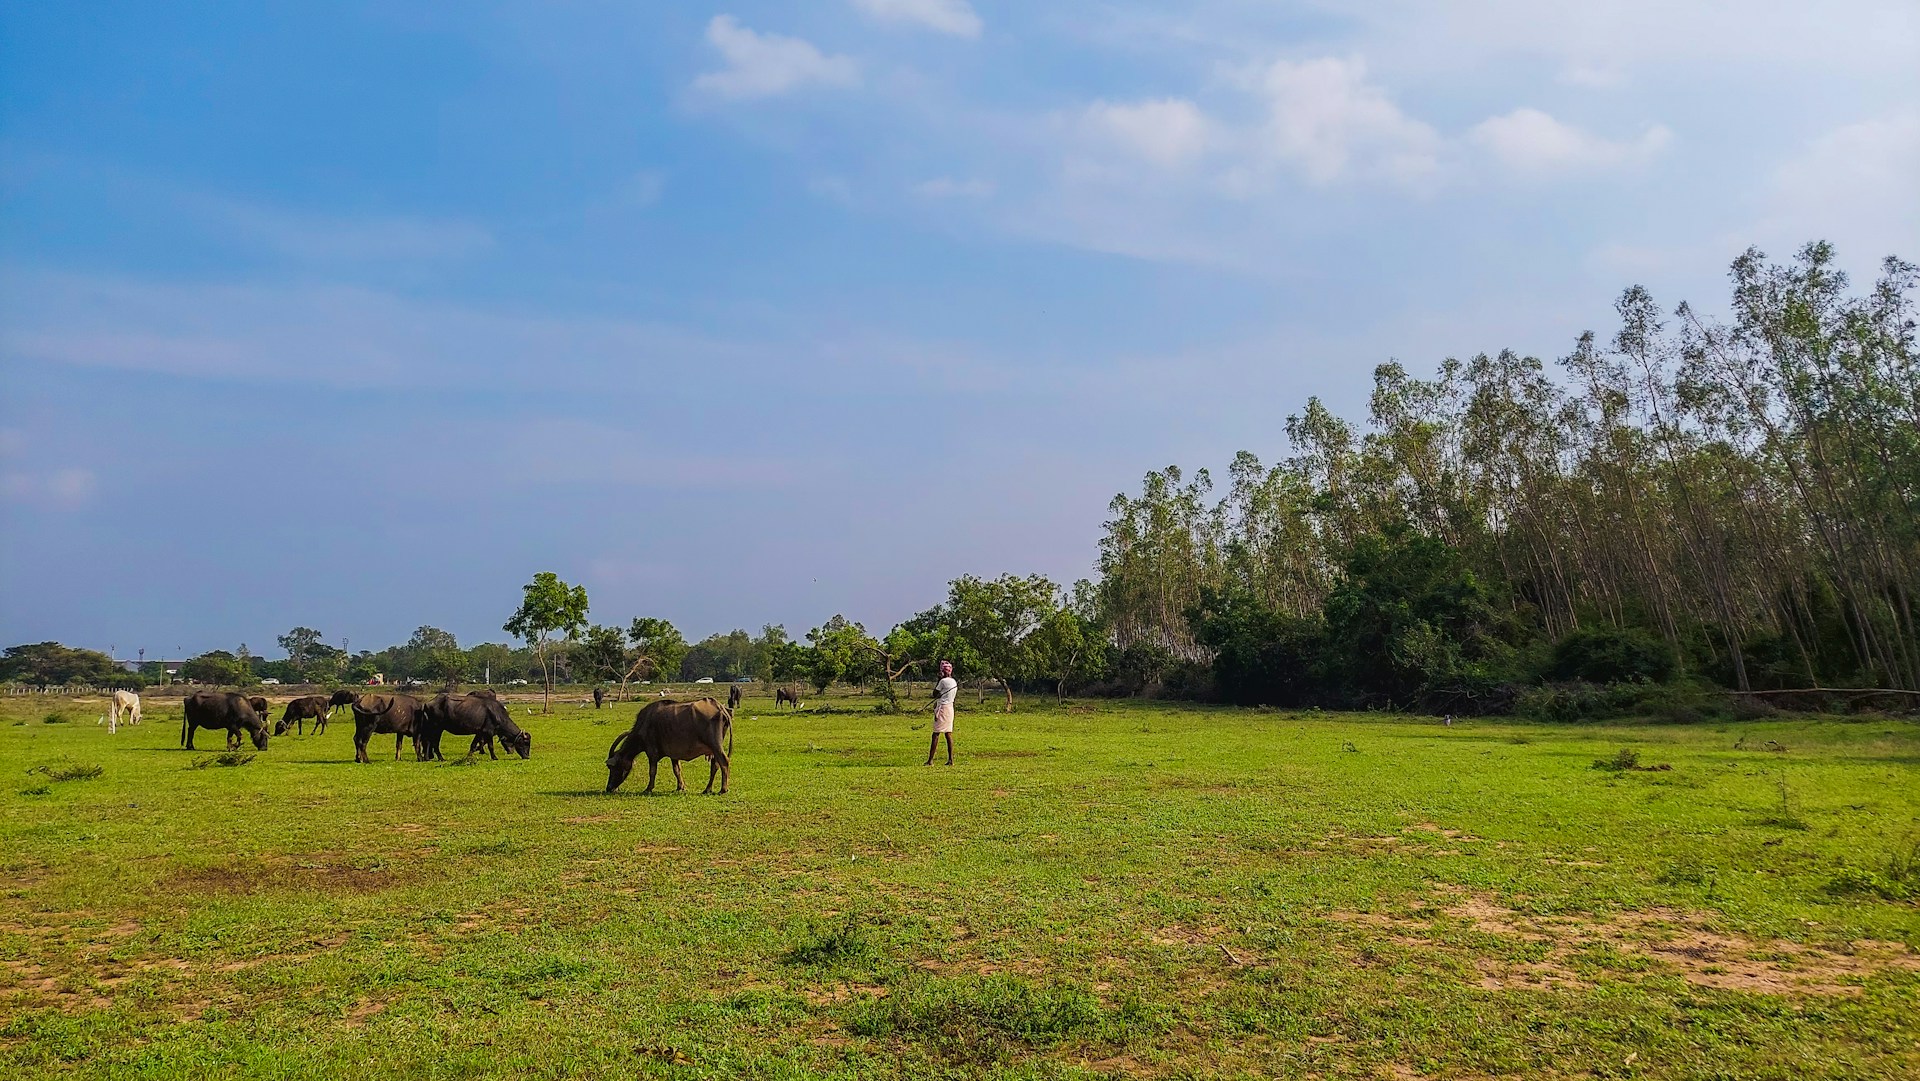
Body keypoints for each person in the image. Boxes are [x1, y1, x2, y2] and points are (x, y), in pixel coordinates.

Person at [924, 659, 957, 766]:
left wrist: (939, 679)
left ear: (943, 671)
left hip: (942, 708)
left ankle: (930, 760)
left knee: (936, 734)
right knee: (948, 734)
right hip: (950, 708)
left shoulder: (943, 681)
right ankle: (951, 759)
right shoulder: (954, 681)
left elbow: (935, 693)